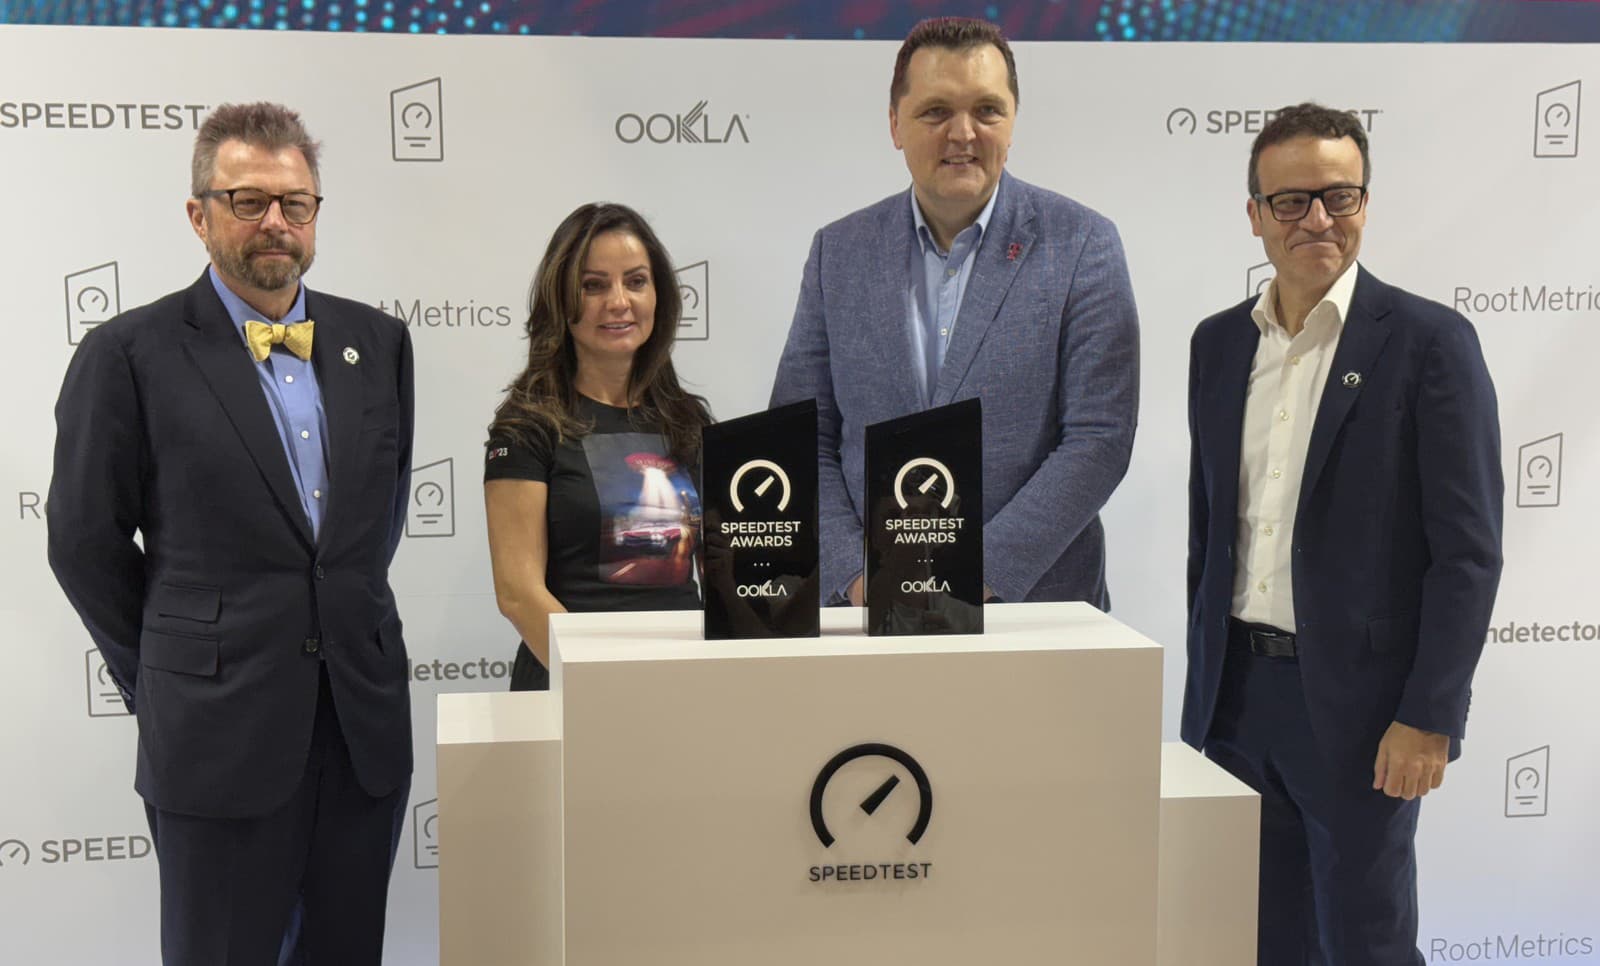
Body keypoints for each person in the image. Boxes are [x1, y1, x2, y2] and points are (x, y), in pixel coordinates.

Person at [47, 102, 414, 965]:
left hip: (359, 730)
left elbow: (375, 525)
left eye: (296, 202)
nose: (275, 221)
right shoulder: (128, 354)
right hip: (214, 736)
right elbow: (84, 543)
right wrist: (170, 671)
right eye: (248, 201)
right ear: (199, 214)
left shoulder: (379, 342)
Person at [1182, 103, 1503, 965]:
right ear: (1255, 215)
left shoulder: (1430, 343)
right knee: (1256, 942)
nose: (1317, 219)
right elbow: (1209, 535)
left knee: (1366, 945)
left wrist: (1429, 716)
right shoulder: (1218, 345)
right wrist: (1202, 696)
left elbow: (1468, 555)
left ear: (1366, 203)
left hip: (1364, 716)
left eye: (1339, 196)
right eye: (1291, 201)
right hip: (1233, 703)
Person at [769, 16, 1139, 608]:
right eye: (936, 111)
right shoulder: (837, 253)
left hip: (1035, 609)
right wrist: (855, 575)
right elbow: (799, 436)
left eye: (987, 110)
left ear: (1012, 121)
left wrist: (973, 576)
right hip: (869, 611)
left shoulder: (1082, 244)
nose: (963, 133)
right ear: (895, 123)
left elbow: (1100, 439)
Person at [485, 203, 711, 690]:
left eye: (636, 281)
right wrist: (601, 683)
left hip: (682, 684)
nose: (619, 301)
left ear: (659, 294)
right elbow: (518, 593)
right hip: (571, 688)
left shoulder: (688, 421)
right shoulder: (526, 426)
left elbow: (721, 574)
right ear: (561, 299)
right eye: (594, 286)